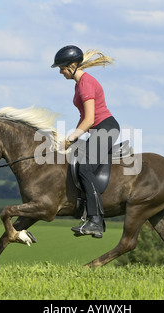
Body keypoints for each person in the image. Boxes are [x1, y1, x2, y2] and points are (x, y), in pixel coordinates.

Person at [51, 45, 120, 238]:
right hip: (96, 130)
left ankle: (96, 221)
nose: (60, 72)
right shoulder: (79, 83)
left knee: (84, 168)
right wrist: (75, 137)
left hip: (105, 128)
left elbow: (89, 119)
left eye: (62, 68)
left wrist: (72, 137)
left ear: (72, 66)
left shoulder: (86, 84)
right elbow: (85, 119)